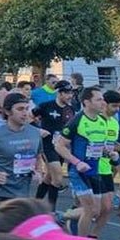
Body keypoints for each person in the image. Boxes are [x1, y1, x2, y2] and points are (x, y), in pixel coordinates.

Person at [55, 86, 112, 240]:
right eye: (99, 99)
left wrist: (108, 153)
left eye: (103, 99)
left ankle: (62, 217)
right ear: (86, 102)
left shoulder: (102, 120)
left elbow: (97, 146)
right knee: (90, 209)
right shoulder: (77, 120)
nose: (103, 102)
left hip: (95, 171)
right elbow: (59, 145)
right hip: (78, 171)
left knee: (98, 209)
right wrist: (77, 162)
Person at [0, 91, 45, 203]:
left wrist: (38, 171)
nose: (25, 113)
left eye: (26, 109)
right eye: (20, 109)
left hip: (24, 193)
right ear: (8, 111)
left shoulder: (35, 133)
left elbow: (38, 156)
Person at [34, 80, 76, 210]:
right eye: (67, 93)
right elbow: (28, 118)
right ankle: (51, 211)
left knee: (49, 177)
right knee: (57, 178)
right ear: (59, 93)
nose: (70, 96)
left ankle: (35, 204)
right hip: (47, 146)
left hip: (61, 147)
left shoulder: (71, 109)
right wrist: (38, 130)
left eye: (71, 93)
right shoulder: (45, 106)